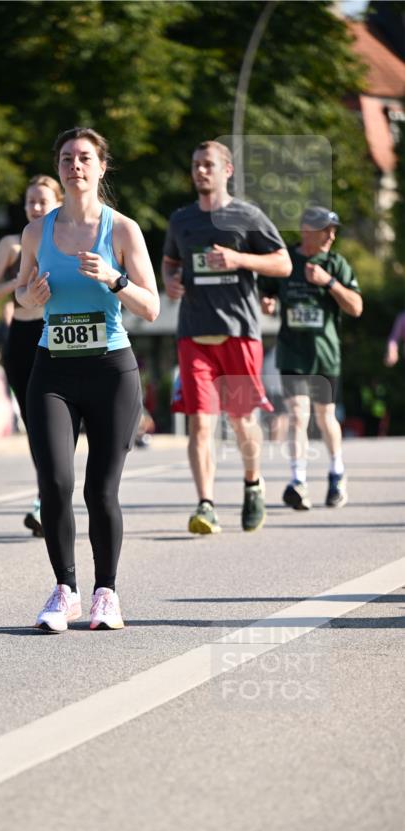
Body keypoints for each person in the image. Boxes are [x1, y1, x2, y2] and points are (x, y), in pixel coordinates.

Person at [16, 126, 159, 632]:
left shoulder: (122, 230)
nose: (74, 165)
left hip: (111, 371)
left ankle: (107, 594)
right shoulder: (37, 232)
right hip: (52, 369)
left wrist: (115, 279)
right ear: (58, 168)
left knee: (101, 490)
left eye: (84, 158)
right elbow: (21, 295)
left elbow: (152, 303)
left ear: (101, 168)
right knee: (54, 482)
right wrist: (30, 300)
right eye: (66, 158)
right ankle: (64, 591)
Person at [162, 140, 291, 535]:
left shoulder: (247, 215)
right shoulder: (181, 220)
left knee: (240, 420)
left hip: (239, 333)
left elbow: (283, 263)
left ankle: (253, 484)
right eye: (196, 164)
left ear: (227, 170)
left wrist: (239, 259)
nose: (201, 171)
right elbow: (170, 261)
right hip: (194, 334)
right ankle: (206, 504)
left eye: (208, 165)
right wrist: (169, 281)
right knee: (201, 424)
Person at [261, 206, 362, 509]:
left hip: (324, 355)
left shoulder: (335, 263)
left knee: (325, 416)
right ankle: (298, 480)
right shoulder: (286, 261)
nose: (331, 235)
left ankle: (336, 473)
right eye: (325, 229)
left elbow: (356, 307)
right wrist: (267, 303)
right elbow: (267, 293)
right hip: (293, 353)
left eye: (334, 230)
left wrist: (328, 282)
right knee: (297, 416)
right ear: (307, 230)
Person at [0, 175, 64, 536]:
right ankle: (46, 495)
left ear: (58, 203)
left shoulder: (65, 241)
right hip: (21, 337)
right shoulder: (12, 245)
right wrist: (19, 283)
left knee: (53, 424)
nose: (34, 208)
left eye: (42, 202)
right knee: (34, 424)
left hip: (54, 334)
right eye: (30, 201)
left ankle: (49, 497)